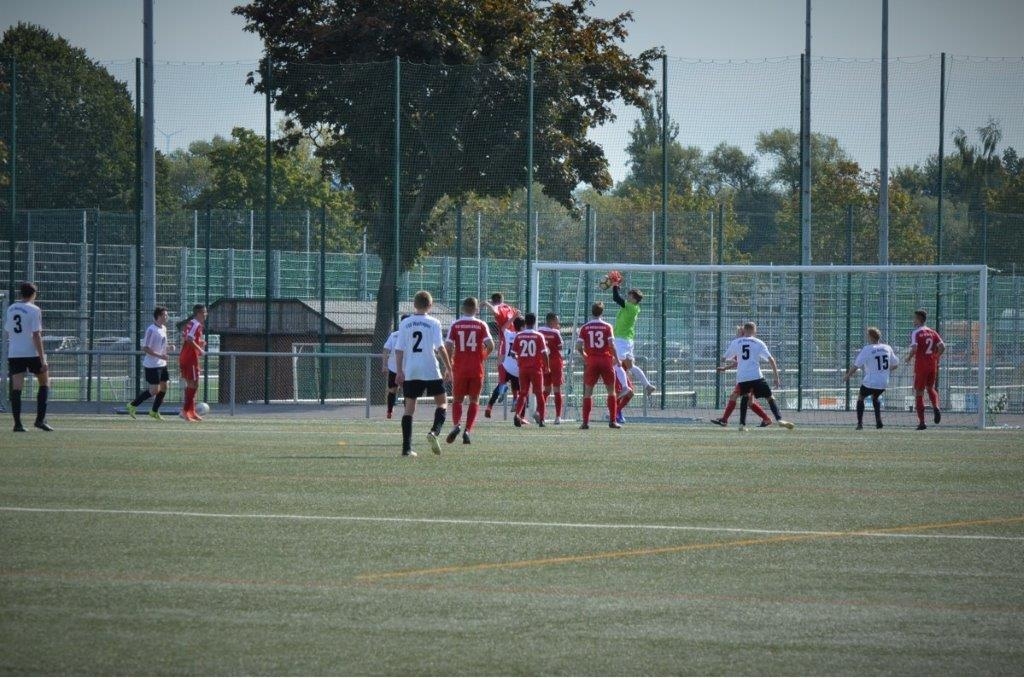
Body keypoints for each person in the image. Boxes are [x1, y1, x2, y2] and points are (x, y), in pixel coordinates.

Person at [395, 290, 453, 457]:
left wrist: (399, 371)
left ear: (414, 305)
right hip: (430, 369)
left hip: (411, 370)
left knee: (409, 409)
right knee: (442, 403)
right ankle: (434, 432)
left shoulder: (405, 323)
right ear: (430, 305)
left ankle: (406, 449)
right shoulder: (434, 322)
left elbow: (399, 349)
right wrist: (449, 368)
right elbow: (440, 347)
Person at [723, 322, 794, 431]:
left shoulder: (736, 342)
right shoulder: (759, 342)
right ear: (754, 330)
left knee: (745, 397)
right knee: (770, 397)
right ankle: (779, 419)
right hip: (756, 376)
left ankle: (741, 425)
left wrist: (732, 362)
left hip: (742, 377)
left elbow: (724, 358)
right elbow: (771, 360)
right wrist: (776, 377)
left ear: (744, 330)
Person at [444, 298, 493, 445]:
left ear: (462, 308)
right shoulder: (481, 324)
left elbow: (448, 346)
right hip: (476, 368)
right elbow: (490, 345)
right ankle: (467, 430)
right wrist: (482, 357)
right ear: (476, 309)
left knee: (457, 400)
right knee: (474, 400)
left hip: (459, 368)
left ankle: (456, 425)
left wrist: (449, 365)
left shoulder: (455, 324)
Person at [4, 282, 53, 432]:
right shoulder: (34, 309)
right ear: (34, 294)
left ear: (21, 293)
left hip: (15, 353)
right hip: (32, 353)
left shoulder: (11, 308)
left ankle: (17, 424)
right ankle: (40, 420)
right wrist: (43, 359)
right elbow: (36, 335)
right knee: (45, 383)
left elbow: (8, 330)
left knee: (16, 388)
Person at [711, 325, 772, 427]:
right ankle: (766, 419)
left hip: (746, 379)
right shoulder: (742, 346)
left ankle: (724, 420)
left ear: (743, 333)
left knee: (734, 396)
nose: (737, 335)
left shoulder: (741, 345)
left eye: (738, 333)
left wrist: (725, 365)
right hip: (750, 377)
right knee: (750, 403)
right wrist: (725, 368)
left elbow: (735, 361)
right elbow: (737, 363)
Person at [576, 302, 621, 430]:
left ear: (592, 311)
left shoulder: (585, 327)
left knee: (588, 392)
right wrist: (617, 359)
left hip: (592, 360)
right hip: (606, 360)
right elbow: (611, 345)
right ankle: (613, 421)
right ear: (602, 312)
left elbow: (578, 346)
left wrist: (585, 356)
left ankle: (585, 422)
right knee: (611, 391)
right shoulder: (607, 326)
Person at [610, 277, 656, 399]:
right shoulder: (634, 308)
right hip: (628, 340)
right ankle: (647, 385)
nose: (628, 297)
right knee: (631, 366)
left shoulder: (630, 307)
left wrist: (614, 285)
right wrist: (617, 287)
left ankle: (625, 387)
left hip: (621, 340)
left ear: (634, 299)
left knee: (615, 364)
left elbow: (616, 298)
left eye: (630, 296)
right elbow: (619, 299)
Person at [845, 327, 899, 430]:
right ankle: (879, 422)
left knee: (861, 397)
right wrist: (885, 370)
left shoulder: (867, 349)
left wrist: (847, 376)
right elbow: (896, 364)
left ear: (870, 337)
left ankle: (860, 424)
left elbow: (856, 365)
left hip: (871, 381)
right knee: (875, 397)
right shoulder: (887, 347)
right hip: (884, 382)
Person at [127, 306, 174, 421]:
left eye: (166, 315)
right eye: (165, 315)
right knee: (154, 390)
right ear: (158, 316)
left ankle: (154, 411)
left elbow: (161, 346)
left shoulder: (164, 328)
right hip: (152, 365)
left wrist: (168, 348)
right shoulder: (151, 330)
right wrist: (160, 356)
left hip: (162, 364)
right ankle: (132, 405)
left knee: (164, 387)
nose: (167, 317)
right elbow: (146, 348)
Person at [907, 309, 945, 430]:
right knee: (930, 388)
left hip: (921, 366)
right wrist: (936, 357)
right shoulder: (933, 332)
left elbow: (914, 349)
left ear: (918, 319)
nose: (913, 320)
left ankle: (922, 422)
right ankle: (936, 407)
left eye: (914, 318)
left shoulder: (916, 333)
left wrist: (908, 358)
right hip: (932, 364)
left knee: (919, 392)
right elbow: (942, 347)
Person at [513, 312, 550, 427]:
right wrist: (547, 367)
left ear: (525, 322)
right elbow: (544, 353)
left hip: (523, 369)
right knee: (539, 393)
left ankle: (517, 414)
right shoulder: (539, 336)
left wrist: (519, 360)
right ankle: (542, 419)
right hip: (536, 369)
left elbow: (513, 353)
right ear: (534, 322)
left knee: (523, 393)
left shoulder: (519, 336)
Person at [485, 316, 525, 419]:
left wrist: (513, 317)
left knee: (500, 385)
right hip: (517, 368)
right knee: (522, 391)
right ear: (523, 326)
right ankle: (519, 414)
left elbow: (503, 328)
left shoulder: (509, 334)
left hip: (506, 366)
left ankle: (489, 406)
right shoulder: (523, 337)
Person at [484, 292, 518, 402]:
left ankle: (503, 387)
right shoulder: (510, 308)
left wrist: (486, 304)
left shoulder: (498, 307)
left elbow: (495, 311)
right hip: (514, 339)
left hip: (505, 339)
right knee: (513, 367)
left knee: (500, 364)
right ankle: (515, 398)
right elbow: (518, 317)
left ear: (494, 301)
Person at [179, 304, 207, 422]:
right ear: (199, 313)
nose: (206, 315)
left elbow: (187, 338)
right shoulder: (196, 324)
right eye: (204, 312)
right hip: (190, 358)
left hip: (188, 357)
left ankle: (191, 411)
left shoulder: (191, 323)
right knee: (193, 384)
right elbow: (189, 339)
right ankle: (185, 411)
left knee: (193, 384)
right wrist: (200, 349)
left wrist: (200, 342)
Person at [538, 313, 565, 424]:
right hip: (555, 363)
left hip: (544, 363)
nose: (558, 323)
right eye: (556, 321)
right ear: (552, 321)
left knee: (547, 389)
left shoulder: (539, 331)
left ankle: (538, 412)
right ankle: (558, 417)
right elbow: (560, 346)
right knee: (557, 390)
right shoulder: (555, 332)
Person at [381, 314, 410, 419]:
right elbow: (386, 349)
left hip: (408, 369)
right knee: (393, 390)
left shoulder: (412, 335)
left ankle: (407, 414)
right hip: (394, 368)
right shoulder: (394, 335)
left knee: (407, 392)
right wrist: (384, 365)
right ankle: (390, 411)